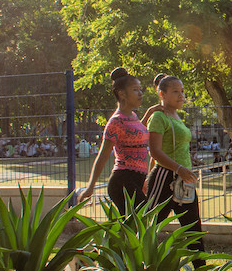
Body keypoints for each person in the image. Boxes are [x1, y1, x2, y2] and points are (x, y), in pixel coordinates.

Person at [77, 68, 151, 216]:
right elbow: (103, 155)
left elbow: (135, 136)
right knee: (138, 225)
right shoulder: (115, 122)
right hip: (123, 180)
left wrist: (150, 112)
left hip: (137, 179)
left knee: (135, 228)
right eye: (135, 90)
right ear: (122, 93)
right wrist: (91, 187)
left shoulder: (133, 116)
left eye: (140, 89)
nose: (140, 93)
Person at [144, 74, 205, 252]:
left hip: (185, 181)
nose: (181, 96)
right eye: (175, 91)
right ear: (161, 94)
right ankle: (134, 269)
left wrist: (185, 171)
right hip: (166, 177)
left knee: (193, 227)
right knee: (149, 226)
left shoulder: (176, 117)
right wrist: (178, 169)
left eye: (182, 91)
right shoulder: (158, 117)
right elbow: (154, 151)